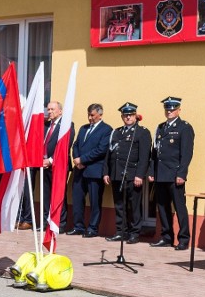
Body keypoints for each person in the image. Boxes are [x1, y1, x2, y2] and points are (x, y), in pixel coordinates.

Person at [149, 96, 194, 250]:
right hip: (160, 174)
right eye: (167, 109)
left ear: (179, 110)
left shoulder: (184, 127)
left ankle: (183, 239)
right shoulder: (161, 128)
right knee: (162, 207)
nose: (169, 111)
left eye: (173, 109)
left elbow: (186, 154)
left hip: (175, 175)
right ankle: (166, 236)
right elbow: (154, 152)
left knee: (180, 207)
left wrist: (182, 174)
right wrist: (151, 171)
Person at [103, 102, 151, 244]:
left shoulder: (142, 132)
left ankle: (134, 233)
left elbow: (144, 156)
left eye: (130, 115)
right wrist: (106, 172)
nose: (128, 117)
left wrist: (139, 175)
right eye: (125, 115)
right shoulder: (116, 132)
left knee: (133, 205)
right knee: (119, 204)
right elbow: (110, 153)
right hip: (117, 173)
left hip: (132, 174)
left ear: (136, 116)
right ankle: (120, 231)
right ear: (122, 117)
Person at [69, 103, 111, 237]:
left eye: (92, 115)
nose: (90, 118)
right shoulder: (83, 128)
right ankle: (78, 226)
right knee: (77, 199)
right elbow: (75, 145)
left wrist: (83, 159)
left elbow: (101, 150)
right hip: (80, 170)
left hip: (94, 171)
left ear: (100, 114)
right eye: (88, 114)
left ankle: (93, 228)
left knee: (94, 201)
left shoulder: (106, 130)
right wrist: (76, 158)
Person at [40, 101, 75, 232]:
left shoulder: (66, 125)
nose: (49, 112)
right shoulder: (46, 125)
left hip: (58, 166)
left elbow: (65, 146)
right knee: (46, 195)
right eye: (48, 109)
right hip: (44, 166)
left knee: (58, 194)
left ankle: (60, 223)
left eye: (52, 109)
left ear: (60, 111)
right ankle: (46, 222)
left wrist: (50, 160)